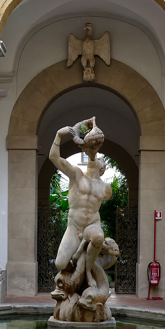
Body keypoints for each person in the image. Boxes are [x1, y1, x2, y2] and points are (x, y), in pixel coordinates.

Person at [49, 118, 112, 283]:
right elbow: (54, 158)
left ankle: (89, 272)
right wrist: (58, 135)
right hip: (74, 227)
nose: (93, 158)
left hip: (92, 225)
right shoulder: (76, 175)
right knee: (60, 263)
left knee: (98, 237)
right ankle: (77, 270)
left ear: (102, 167)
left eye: (98, 158)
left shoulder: (106, 188)